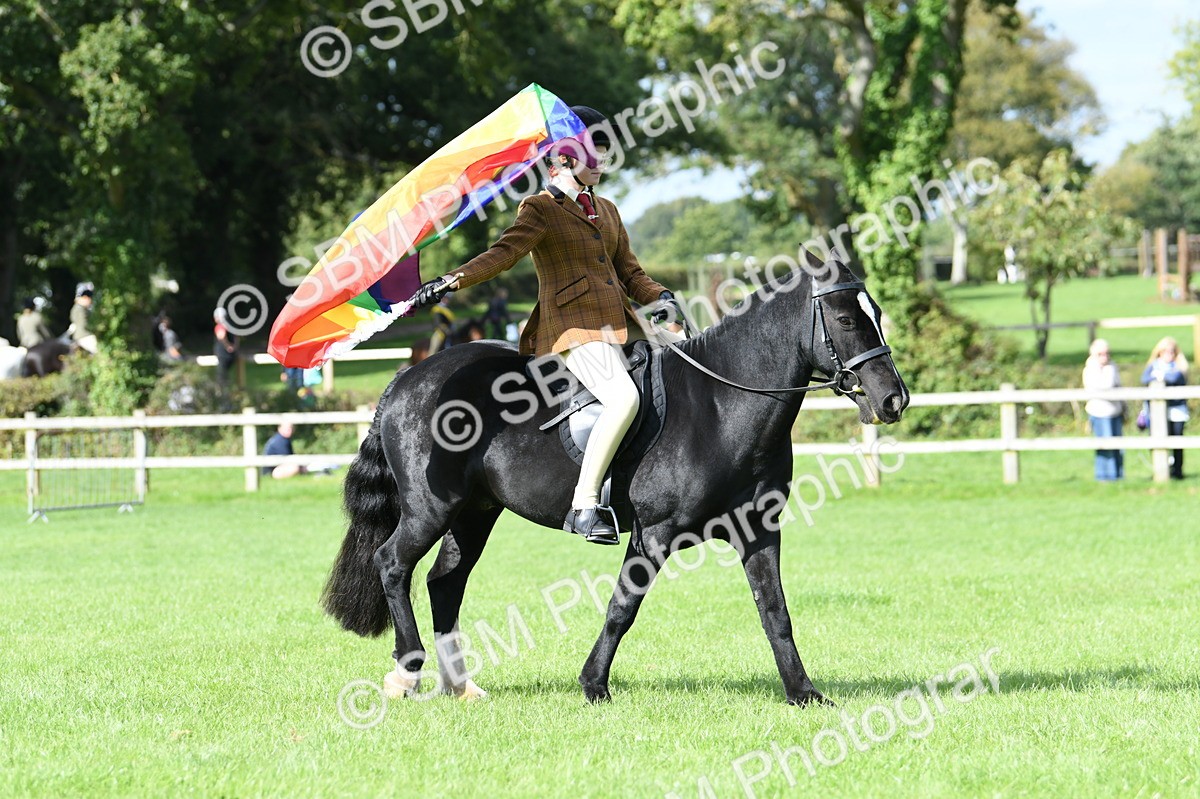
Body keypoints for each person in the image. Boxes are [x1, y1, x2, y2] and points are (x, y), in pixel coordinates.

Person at [409, 105, 682, 545]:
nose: (603, 162)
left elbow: (630, 272)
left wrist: (661, 296)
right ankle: (585, 504)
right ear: (567, 158)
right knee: (623, 398)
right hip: (572, 330)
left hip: (622, 326)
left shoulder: (607, 210)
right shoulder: (539, 208)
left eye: (605, 154)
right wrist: (450, 280)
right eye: (595, 154)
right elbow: (502, 254)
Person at [1141, 336, 1189, 479]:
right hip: (1158, 412)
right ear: (1159, 352)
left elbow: (1175, 378)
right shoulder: (1154, 365)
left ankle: (1178, 471)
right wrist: (1159, 376)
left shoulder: (1180, 366)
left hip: (1176, 410)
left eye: (1172, 351)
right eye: (1165, 351)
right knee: (1158, 441)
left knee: (1176, 440)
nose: (1168, 354)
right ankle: (1162, 470)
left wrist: (1160, 376)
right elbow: (1144, 378)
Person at [1082, 338, 1123, 481]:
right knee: (1105, 447)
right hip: (1099, 413)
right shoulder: (1090, 369)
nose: (1105, 357)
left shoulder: (1112, 366)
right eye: (1100, 354)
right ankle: (1105, 477)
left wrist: (1124, 407)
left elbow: (1119, 386)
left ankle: (1118, 477)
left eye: (1107, 353)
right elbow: (1106, 385)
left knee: (1118, 446)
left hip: (1115, 411)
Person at [213, 307, 239, 386]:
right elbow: (237, 338)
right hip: (232, 355)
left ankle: (222, 392)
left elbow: (221, 336)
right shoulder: (231, 325)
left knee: (221, 378)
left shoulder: (220, 326)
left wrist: (227, 346)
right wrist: (234, 347)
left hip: (222, 355)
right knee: (229, 376)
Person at [70, 287, 98, 354]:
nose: (90, 302)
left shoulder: (76, 307)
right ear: (86, 298)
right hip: (85, 336)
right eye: (90, 300)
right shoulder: (80, 310)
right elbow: (84, 324)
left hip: (77, 337)